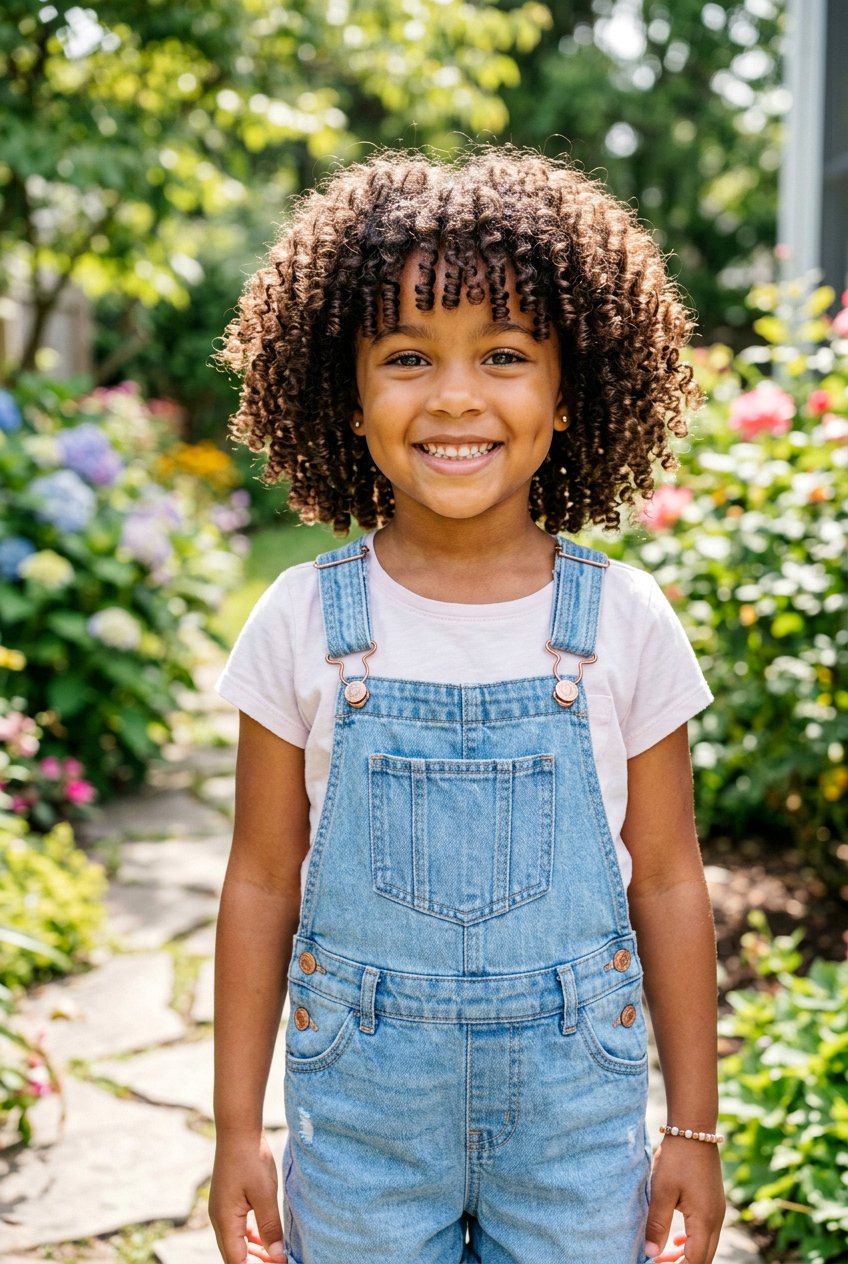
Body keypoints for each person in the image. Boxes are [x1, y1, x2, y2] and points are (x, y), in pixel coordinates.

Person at [209, 146, 726, 1264]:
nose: (452, 395)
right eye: (405, 356)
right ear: (343, 395)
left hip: (575, 1127)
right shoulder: (299, 620)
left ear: (564, 391)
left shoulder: (624, 621)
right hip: (359, 1127)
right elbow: (258, 879)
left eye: (502, 354)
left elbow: (673, 879)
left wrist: (692, 1126)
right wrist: (237, 1127)